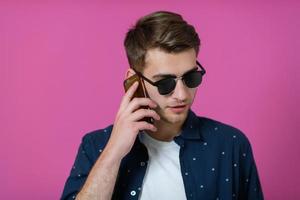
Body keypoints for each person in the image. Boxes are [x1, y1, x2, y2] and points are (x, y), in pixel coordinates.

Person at [61, 11, 264, 200]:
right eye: (164, 83)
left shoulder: (231, 145)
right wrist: (113, 152)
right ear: (134, 81)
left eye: (191, 77)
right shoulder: (96, 146)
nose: (182, 94)